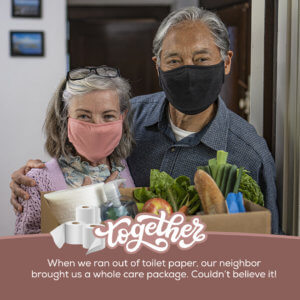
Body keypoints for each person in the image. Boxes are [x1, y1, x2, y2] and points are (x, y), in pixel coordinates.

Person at [10, 7, 280, 233]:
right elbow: (75, 161)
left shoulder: (250, 154)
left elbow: (268, 250)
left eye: (201, 58)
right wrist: (34, 179)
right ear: (157, 65)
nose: (188, 71)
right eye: (174, 61)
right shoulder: (124, 121)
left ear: (226, 62)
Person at [15, 66, 135, 234]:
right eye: (84, 116)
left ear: (122, 117)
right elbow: (24, 253)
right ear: (65, 117)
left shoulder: (133, 166)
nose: (97, 126)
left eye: (108, 116)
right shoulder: (38, 181)